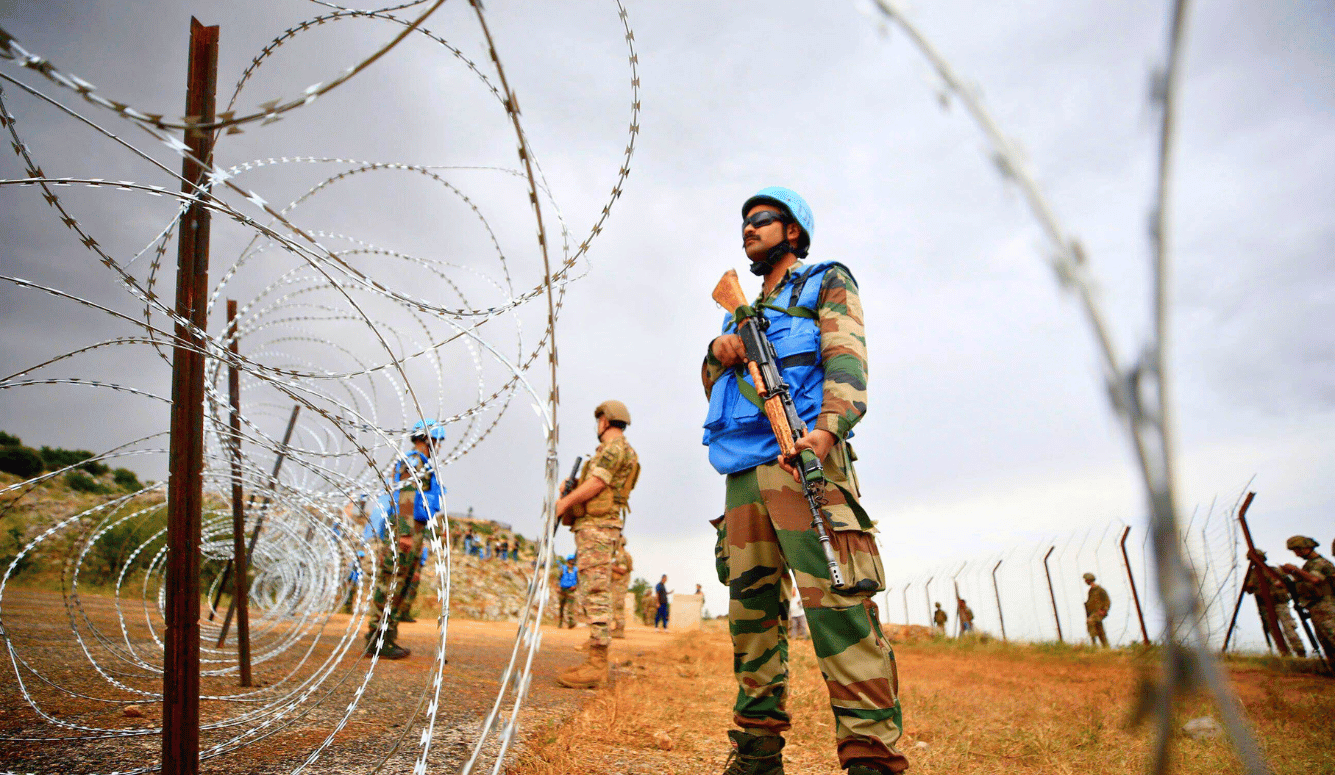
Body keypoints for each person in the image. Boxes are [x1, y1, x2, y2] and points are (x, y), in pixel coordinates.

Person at [703, 188, 907, 774]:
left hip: (805, 460)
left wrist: (827, 432)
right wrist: (720, 350)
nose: (748, 229)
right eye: (742, 222)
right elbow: (717, 389)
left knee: (838, 609)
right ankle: (757, 754)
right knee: (752, 619)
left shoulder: (825, 281)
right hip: (743, 474)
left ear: (793, 231)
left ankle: (872, 757)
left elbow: (847, 359)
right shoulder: (737, 308)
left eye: (760, 220)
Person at [553, 401, 641, 689]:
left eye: (599, 420)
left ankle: (597, 665)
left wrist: (565, 502)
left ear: (605, 420)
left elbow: (598, 484)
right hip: (599, 527)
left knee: (596, 592)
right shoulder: (618, 450)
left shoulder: (615, 448)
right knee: (593, 589)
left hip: (599, 528)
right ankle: (594, 657)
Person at [365, 419, 447, 659]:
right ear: (427, 439)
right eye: (436, 441)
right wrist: (406, 534)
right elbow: (406, 496)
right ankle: (376, 638)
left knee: (402, 585)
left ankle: (387, 637)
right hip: (406, 528)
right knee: (392, 583)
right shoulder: (413, 461)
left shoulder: (423, 463)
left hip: (415, 528)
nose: (438, 446)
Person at [1241, 550, 1305, 656]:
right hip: (1264, 605)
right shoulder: (1252, 574)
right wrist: (1249, 586)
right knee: (1274, 631)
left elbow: (1288, 582)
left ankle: (1300, 651)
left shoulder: (1273, 570)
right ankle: (1285, 654)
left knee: (1289, 628)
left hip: (1279, 602)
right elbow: (1248, 590)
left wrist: (1281, 584)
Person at [1278, 536, 1335, 655]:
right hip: (1316, 609)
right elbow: (1304, 584)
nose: (1297, 554)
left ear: (1306, 548)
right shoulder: (1309, 565)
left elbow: (1315, 580)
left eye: (1297, 550)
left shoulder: (1321, 563)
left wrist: (1295, 570)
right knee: (1327, 645)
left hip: (1327, 609)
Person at [610, 536, 633, 639]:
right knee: (615, 606)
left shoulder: (622, 556)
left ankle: (619, 630)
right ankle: (617, 628)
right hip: (616, 584)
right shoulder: (618, 555)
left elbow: (622, 570)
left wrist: (610, 566)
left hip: (620, 585)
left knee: (618, 606)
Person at [1083, 573, 1110, 648]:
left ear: (1089, 580)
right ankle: (1106, 647)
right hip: (1092, 613)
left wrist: (1104, 610)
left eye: (1086, 580)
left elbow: (1107, 601)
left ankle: (1094, 644)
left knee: (1090, 622)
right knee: (1100, 630)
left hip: (1099, 612)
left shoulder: (1100, 590)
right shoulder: (1091, 591)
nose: (1085, 581)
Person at [558, 554, 579, 629]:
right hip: (563, 589)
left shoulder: (576, 570)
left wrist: (575, 586)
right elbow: (559, 577)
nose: (572, 561)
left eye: (573, 560)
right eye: (571, 560)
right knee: (561, 606)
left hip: (571, 590)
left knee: (571, 606)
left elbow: (578, 580)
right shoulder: (563, 568)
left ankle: (570, 622)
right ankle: (560, 622)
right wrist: (558, 587)